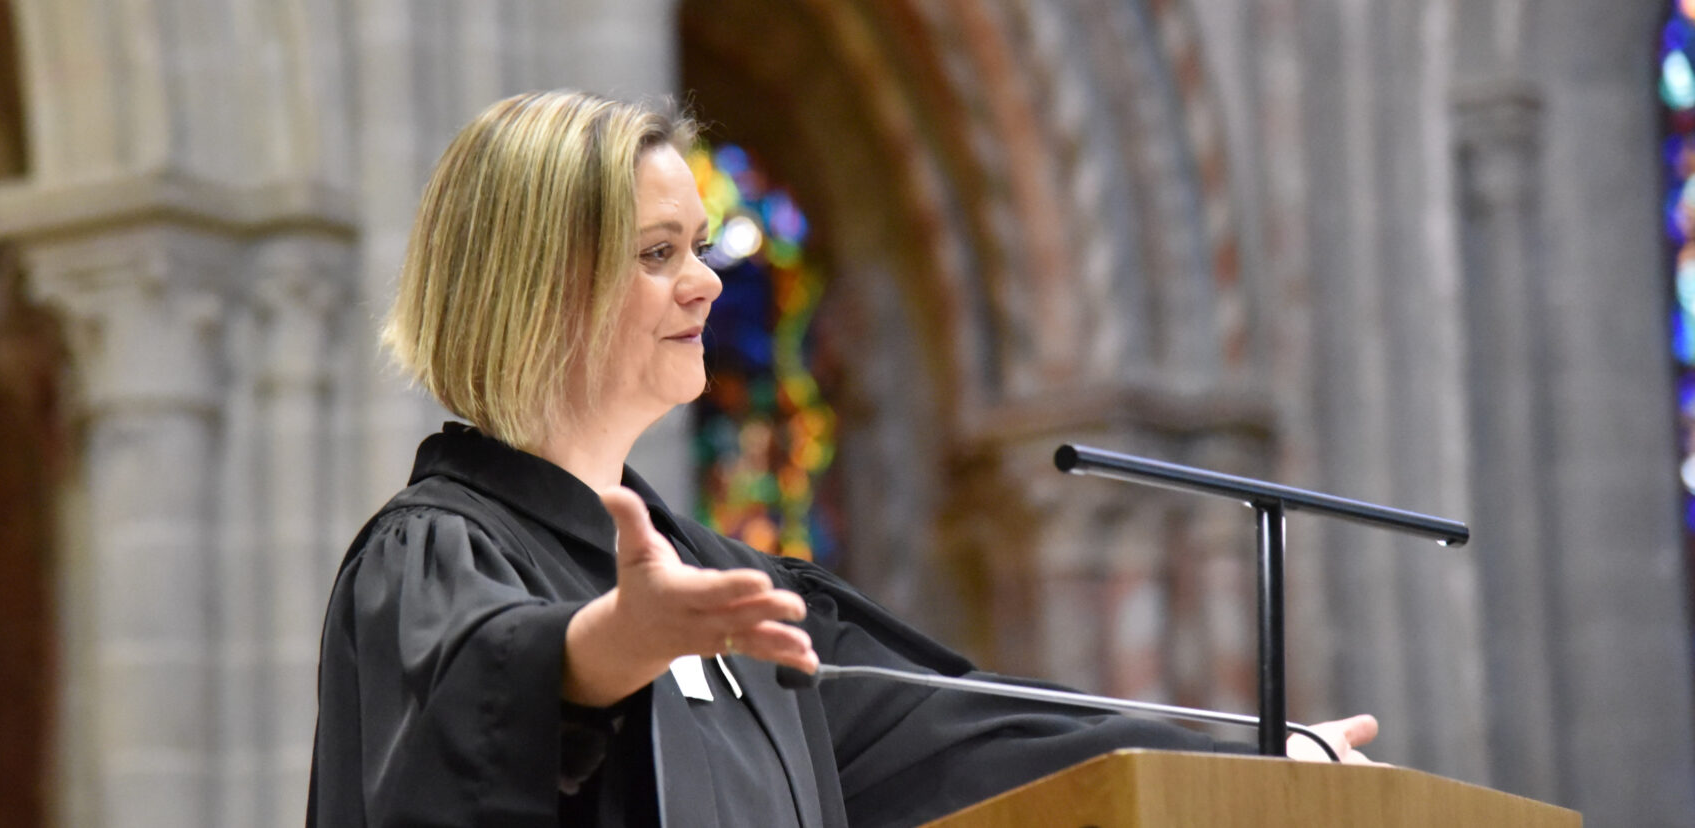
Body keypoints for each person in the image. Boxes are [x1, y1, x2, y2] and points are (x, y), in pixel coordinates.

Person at [308, 90, 1378, 828]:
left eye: (699, 242)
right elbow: (465, 710)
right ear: (535, 286)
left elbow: (960, 724)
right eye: (657, 253)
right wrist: (599, 650)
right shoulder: (433, 550)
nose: (708, 283)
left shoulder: (737, 595)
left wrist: (1260, 759)